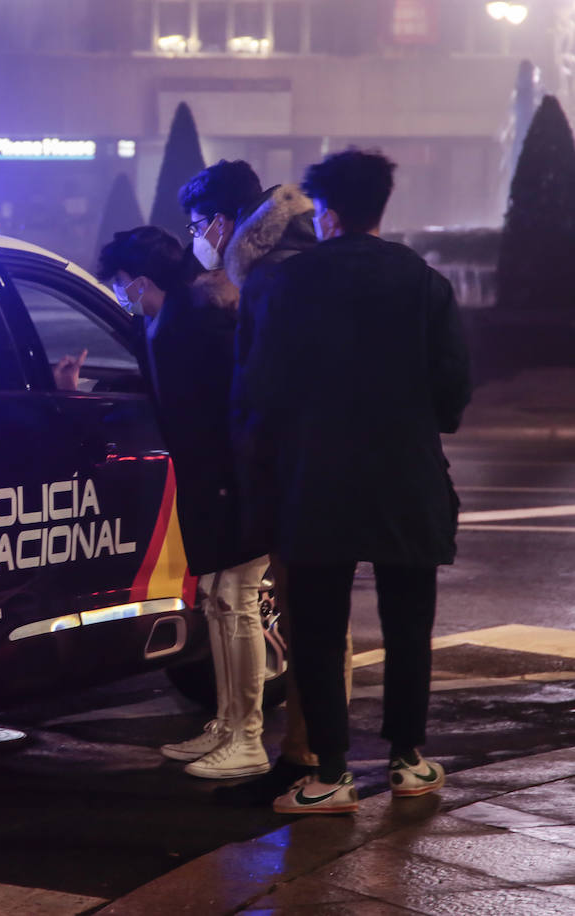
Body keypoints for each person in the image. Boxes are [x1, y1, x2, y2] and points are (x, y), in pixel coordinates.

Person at [233, 149, 471, 814]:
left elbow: (256, 390)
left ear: (329, 214)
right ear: (378, 208)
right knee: (407, 624)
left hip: (315, 479)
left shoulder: (280, 286)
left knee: (316, 627)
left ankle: (329, 771)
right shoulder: (424, 283)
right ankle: (407, 760)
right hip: (406, 478)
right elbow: (453, 392)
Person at [182, 160, 351, 805]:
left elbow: (269, 384)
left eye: (200, 224)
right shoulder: (300, 261)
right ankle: (307, 746)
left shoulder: (271, 278)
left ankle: (311, 752)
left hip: (299, 468)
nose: (199, 236)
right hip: (324, 461)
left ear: (224, 222)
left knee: (312, 611)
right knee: (316, 611)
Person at [98, 226, 270, 779]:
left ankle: (248, 736)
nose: (122, 294)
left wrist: (232, 480)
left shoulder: (198, 324)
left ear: (142, 281)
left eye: (123, 284)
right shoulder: (164, 322)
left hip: (232, 482)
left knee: (234, 599)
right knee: (218, 600)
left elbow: (231, 406)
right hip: (209, 482)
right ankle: (227, 722)